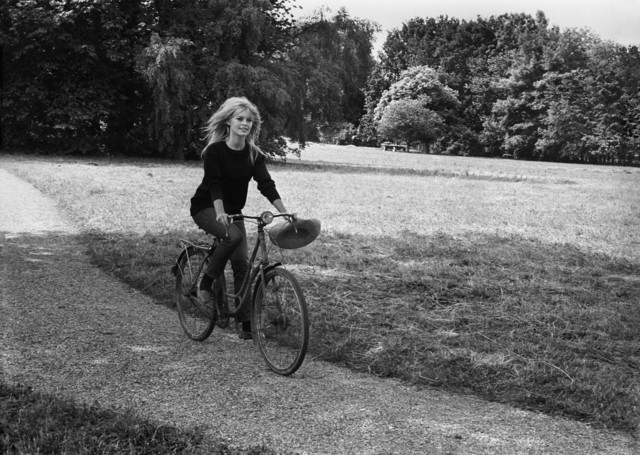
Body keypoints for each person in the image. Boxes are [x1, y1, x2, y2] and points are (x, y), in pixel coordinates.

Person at [190, 97, 294, 339]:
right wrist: (219, 213)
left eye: (249, 120)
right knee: (233, 236)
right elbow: (214, 184)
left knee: (242, 265)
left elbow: (266, 184)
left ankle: (246, 324)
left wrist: (284, 210)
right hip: (207, 207)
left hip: (233, 212)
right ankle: (206, 281)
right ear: (228, 121)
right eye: (240, 118)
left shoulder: (253, 154)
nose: (245, 123)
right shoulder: (215, 152)